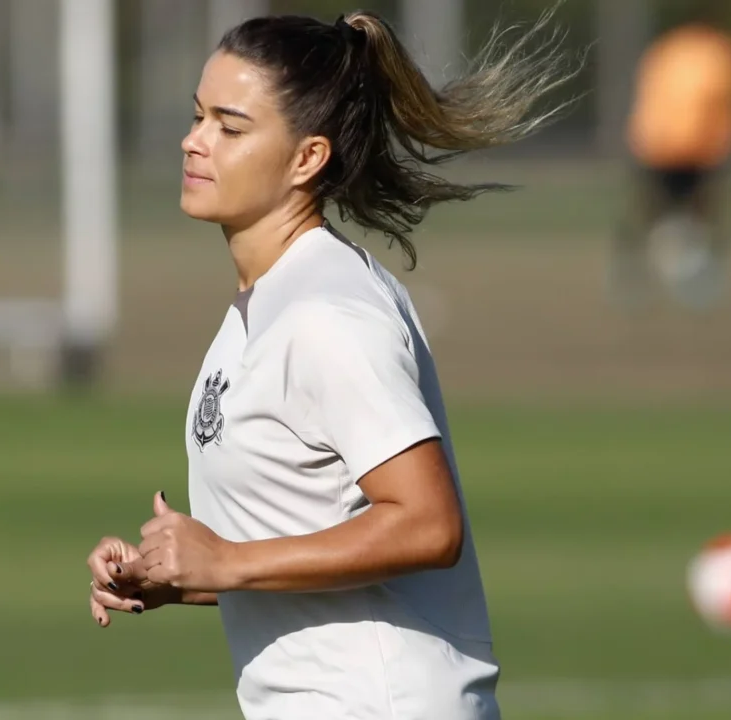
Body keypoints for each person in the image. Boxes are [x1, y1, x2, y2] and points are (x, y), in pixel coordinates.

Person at [85, 9, 574, 720]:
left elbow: (427, 524)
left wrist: (226, 561)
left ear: (307, 159)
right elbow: (308, 537)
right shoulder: (263, 306)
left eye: (230, 126)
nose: (194, 143)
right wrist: (178, 575)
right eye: (197, 117)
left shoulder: (329, 312)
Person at [610, 18, 731, 311]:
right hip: (690, 148)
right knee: (691, 213)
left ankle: (645, 274)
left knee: (656, 213)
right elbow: (723, 105)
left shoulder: (665, 50)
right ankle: (665, 273)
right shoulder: (720, 53)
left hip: (662, 146)